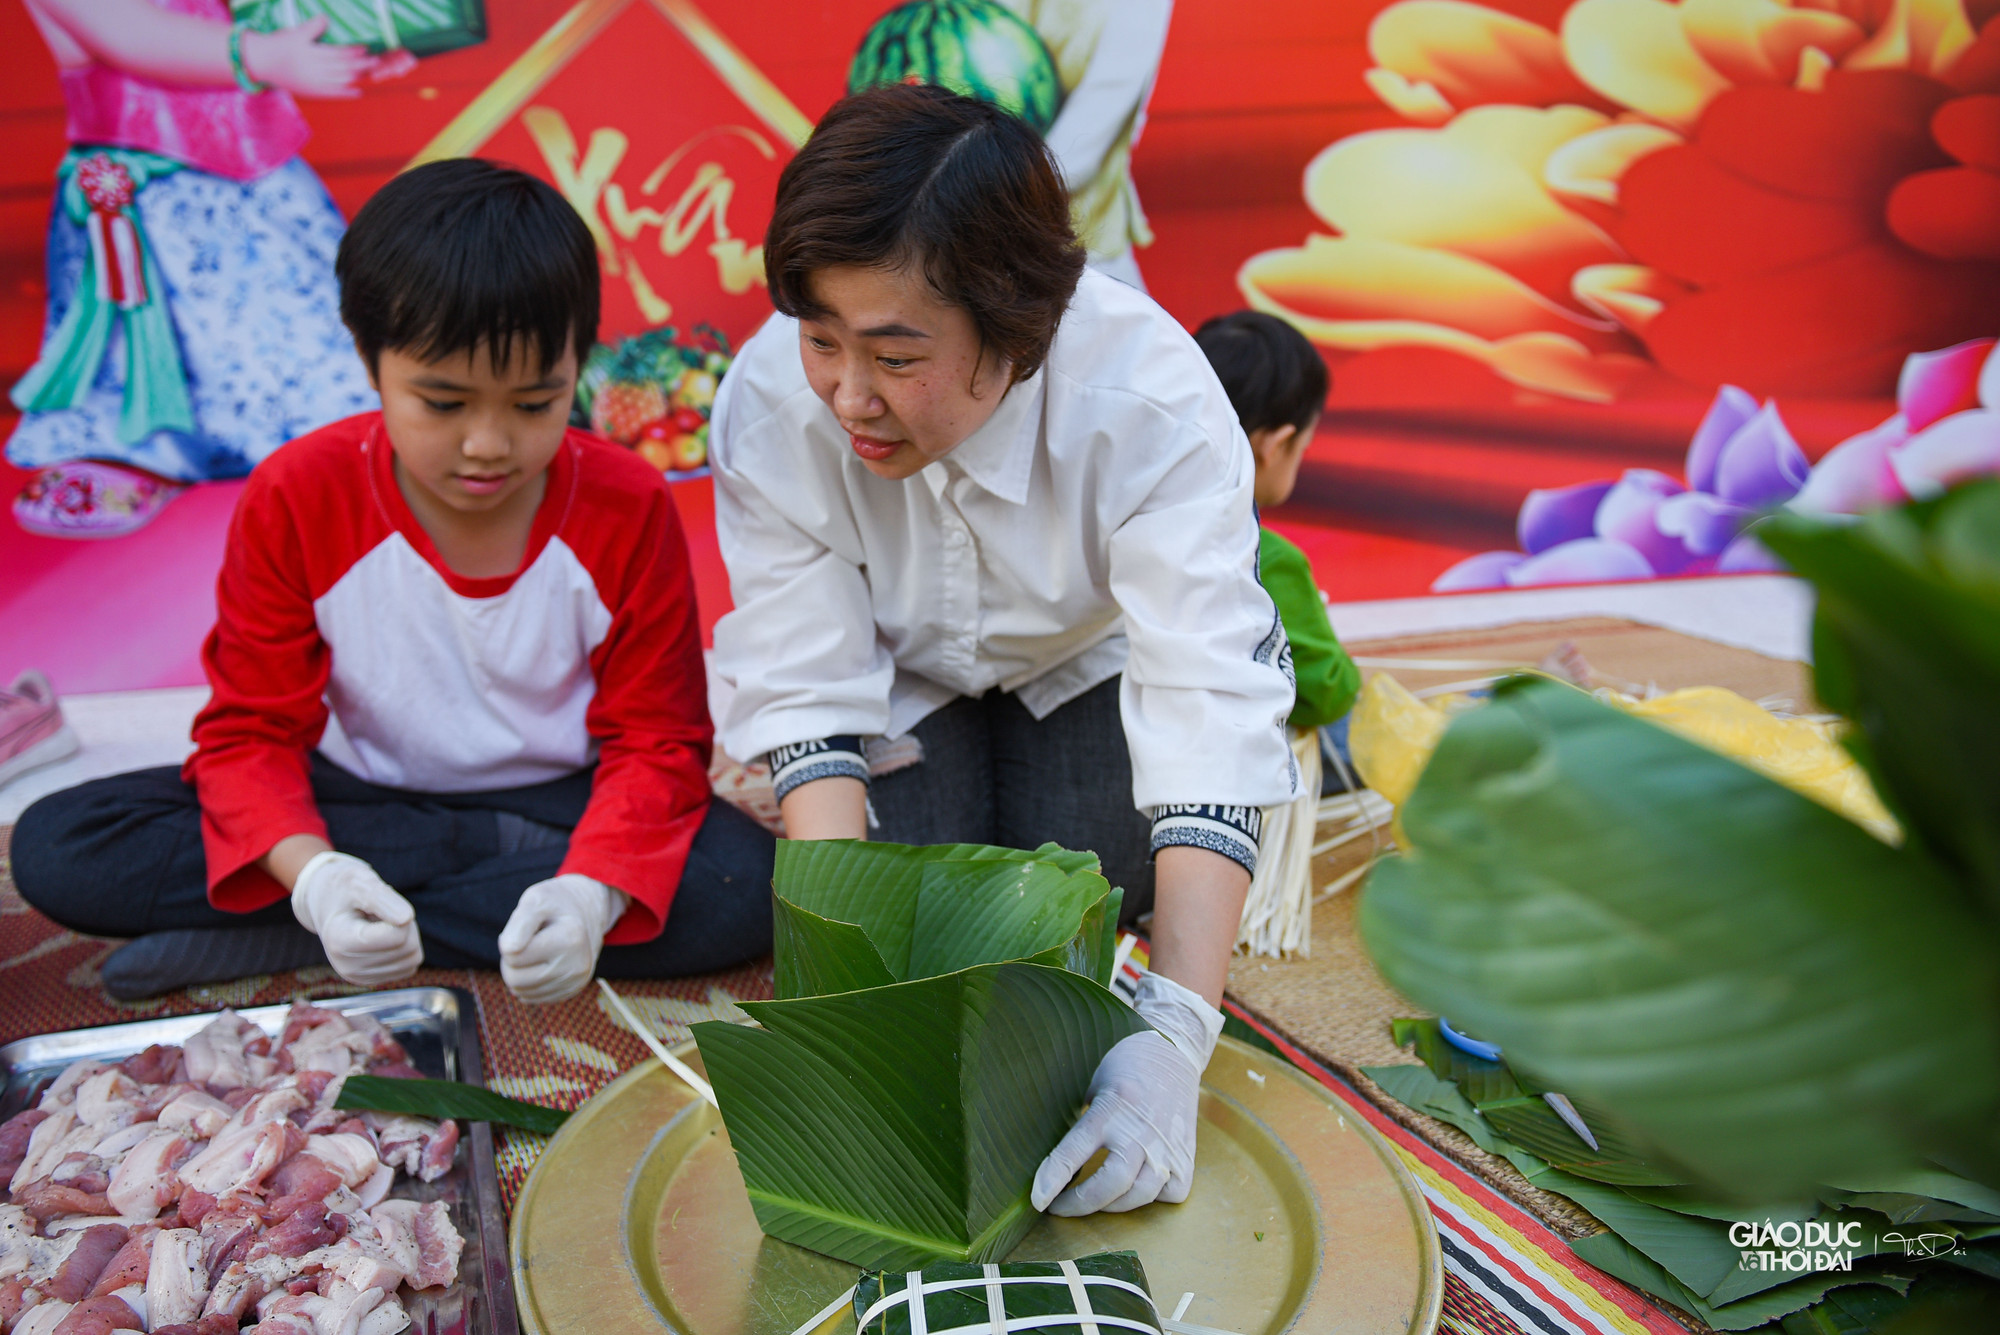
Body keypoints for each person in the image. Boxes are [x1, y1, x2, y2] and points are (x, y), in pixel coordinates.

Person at [708, 85, 1297, 1216]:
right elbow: (806, 679)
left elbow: (1202, 711)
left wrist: (1175, 1034)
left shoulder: (1152, 406)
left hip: (1082, 667)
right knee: (918, 947)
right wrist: (839, 999)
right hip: (905, 680)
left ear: (1020, 327)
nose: (846, 393)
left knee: (1078, 904)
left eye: (893, 354)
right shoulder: (772, 402)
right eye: (820, 335)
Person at [11, 160, 776, 1003]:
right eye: (443, 403)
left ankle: (279, 933)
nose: (488, 444)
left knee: (740, 886)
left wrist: (590, 891)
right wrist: (316, 877)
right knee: (63, 843)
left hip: (555, 805)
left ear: (576, 367)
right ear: (370, 362)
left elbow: (658, 742)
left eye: (533, 403)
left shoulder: (626, 501)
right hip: (357, 802)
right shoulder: (298, 493)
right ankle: (339, 913)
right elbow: (249, 733)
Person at [7, 0, 402, 539]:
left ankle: (340, 439)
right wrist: (264, 56)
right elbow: (127, 33)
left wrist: (355, 40)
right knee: (153, 338)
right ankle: (142, 458)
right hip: (153, 195)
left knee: (307, 324)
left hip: (260, 176)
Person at [1194, 310, 1361, 954]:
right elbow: (1324, 693)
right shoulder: (1269, 554)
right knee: (1372, 714)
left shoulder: (1127, 521)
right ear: (1276, 443)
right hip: (1233, 763)